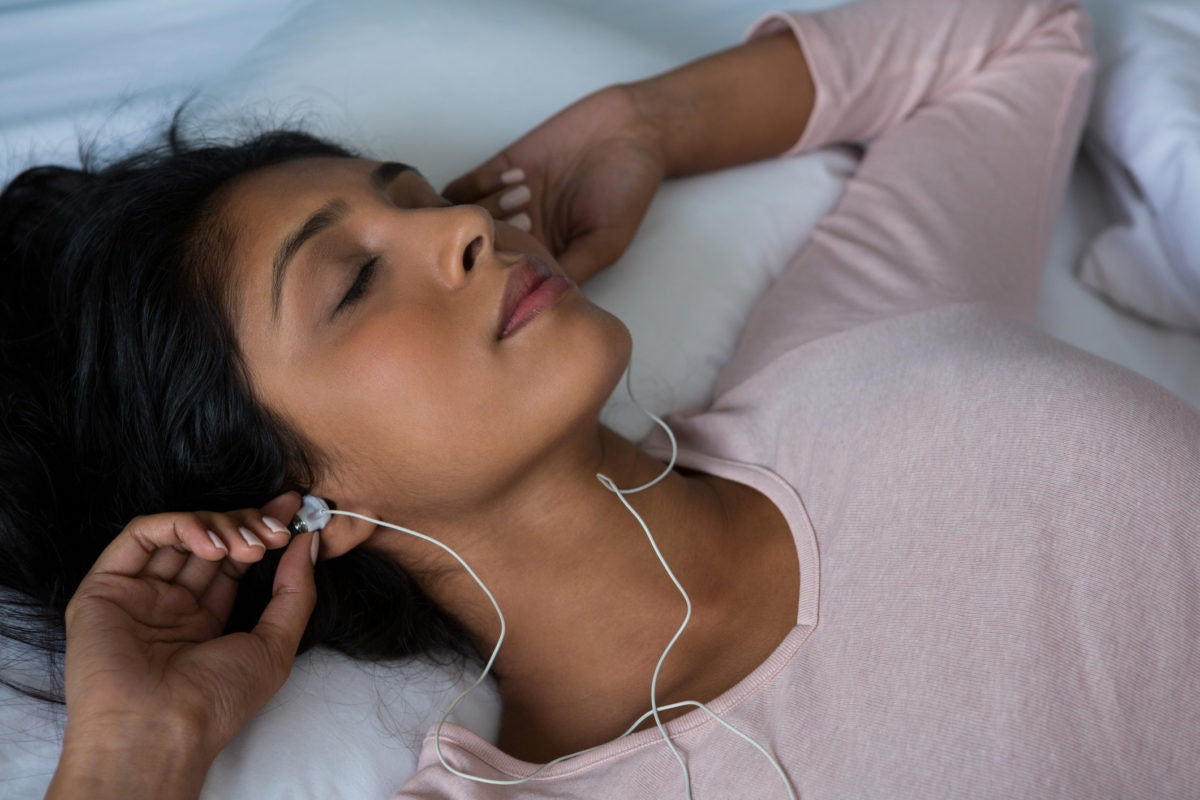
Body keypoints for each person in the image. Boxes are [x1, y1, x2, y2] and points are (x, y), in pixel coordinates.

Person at [1, 0, 1195, 796]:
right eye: (356, 279)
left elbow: (1025, 33)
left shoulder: (854, 337)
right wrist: (124, 756)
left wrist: (645, 121)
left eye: (419, 194)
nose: (465, 227)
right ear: (295, 500)